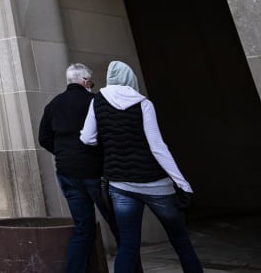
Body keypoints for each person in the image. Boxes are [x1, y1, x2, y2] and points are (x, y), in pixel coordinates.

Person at [80, 60, 202, 273]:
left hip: (120, 184)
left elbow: (87, 138)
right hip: (155, 184)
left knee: (128, 246)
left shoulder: (96, 102)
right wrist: (182, 183)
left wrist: (111, 140)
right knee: (181, 243)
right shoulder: (143, 103)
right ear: (130, 78)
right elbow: (157, 147)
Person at [39, 63, 121, 272]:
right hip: (95, 172)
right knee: (119, 226)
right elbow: (109, 135)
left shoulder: (53, 105)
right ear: (85, 82)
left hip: (67, 172)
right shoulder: (94, 101)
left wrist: (64, 153)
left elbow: (44, 138)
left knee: (83, 230)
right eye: (90, 82)